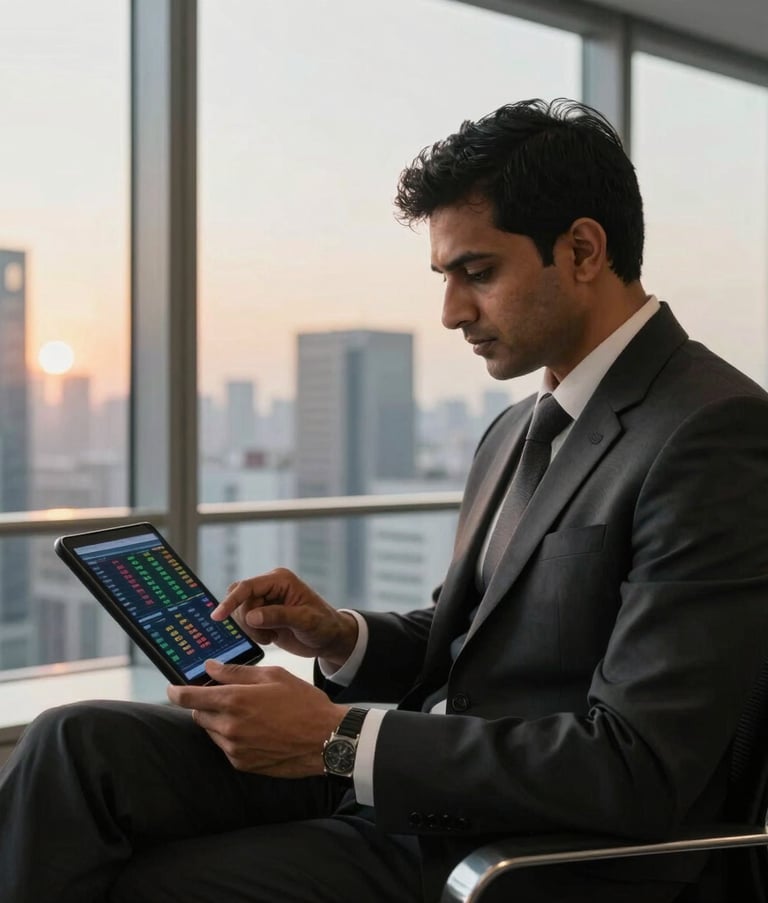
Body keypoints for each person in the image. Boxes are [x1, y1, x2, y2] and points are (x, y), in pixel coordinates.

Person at [2, 98, 768, 903]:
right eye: (445, 278)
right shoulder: (516, 430)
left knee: (151, 884)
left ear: (581, 249)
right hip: (416, 780)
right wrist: (340, 636)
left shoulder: (712, 435)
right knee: (74, 743)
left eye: (478, 273)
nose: (451, 313)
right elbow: (471, 639)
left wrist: (336, 740)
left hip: (519, 848)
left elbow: (636, 765)